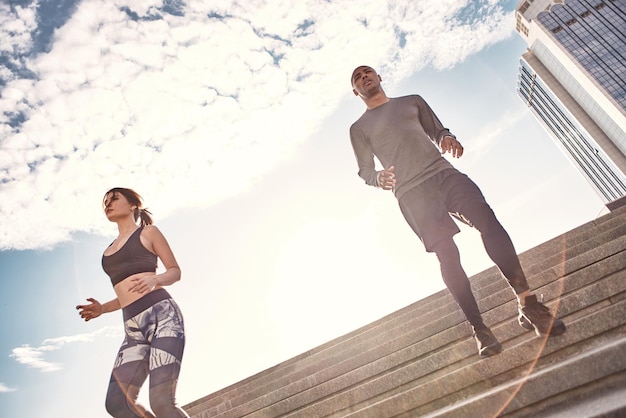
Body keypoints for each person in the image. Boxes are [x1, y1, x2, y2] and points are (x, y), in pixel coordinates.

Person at [349, 65, 566, 358]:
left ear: (379, 77)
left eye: (367, 72)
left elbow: (437, 130)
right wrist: (378, 178)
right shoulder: (359, 128)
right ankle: (480, 329)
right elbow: (364, 170)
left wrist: (446, 139)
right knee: (447, 254)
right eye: (358, 78)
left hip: (443, 173)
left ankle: (528, 303)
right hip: (412, 193)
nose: (364, 77)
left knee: (487, 221)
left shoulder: (412, 101)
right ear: (356, 91)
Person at [76, 187, 189, 417]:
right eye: (105, 201)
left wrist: (156, 279)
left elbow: (175, 272)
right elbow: (126, 295)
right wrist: (101, 309)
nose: (108, 203)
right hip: (132, 329)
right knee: (117, 403)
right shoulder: (108, 252)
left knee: (161, 402)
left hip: (163, 317)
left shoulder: (149, 233)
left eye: (114, 198)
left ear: (132, 205)